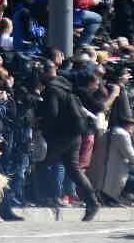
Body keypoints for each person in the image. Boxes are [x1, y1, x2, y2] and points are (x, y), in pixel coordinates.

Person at [35, 56, 98, 221]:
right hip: (74, 134)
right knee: (74, 169)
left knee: (41, 165)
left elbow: (52, 113)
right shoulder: (64, 83)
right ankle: (92, 202)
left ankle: (45, 197)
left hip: (60, 135)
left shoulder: (52, 89)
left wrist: (39, 121)